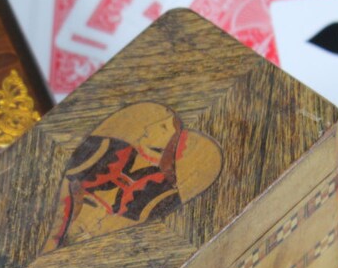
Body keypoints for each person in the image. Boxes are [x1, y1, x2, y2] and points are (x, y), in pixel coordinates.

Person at [42, 102, 221, 251]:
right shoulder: (111, 151)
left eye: (164, 127)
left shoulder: (160, 197)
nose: (150, 129)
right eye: (162, 124)